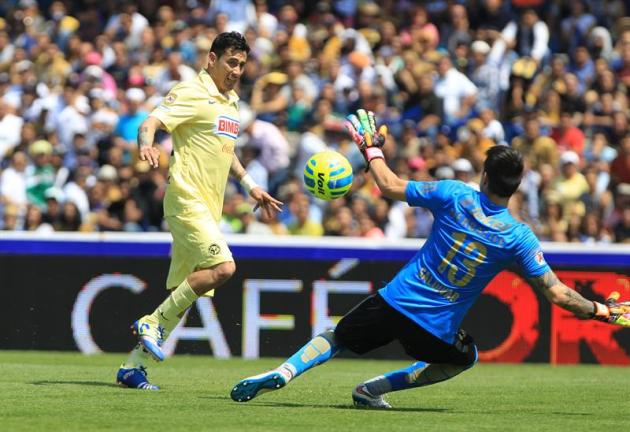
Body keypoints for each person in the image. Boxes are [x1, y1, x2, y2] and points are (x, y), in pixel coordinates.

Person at [229, 110, 630, 408]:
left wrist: (370, 148)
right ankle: (373, 391)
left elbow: (387, 184)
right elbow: (558, 294)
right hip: (436, 329)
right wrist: (604, 311)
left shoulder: (455, 194)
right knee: (464, 357)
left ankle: (284, 372)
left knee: (337, 337)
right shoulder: (518, 237)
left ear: (485, 178)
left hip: (396, 299)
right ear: (516, 186)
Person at [116, 32, 283, 390]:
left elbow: (227, 152)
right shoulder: (192, 91)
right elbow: (151, 122)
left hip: (210, 208)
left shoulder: (232, 103)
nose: (237, 70)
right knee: (223, 267)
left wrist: (251, 185)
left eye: (241, 64)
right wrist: (147, 146)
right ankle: (150, 323)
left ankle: (133, 368)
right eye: (230, 62)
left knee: (183, 294)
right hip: (186, 198)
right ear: (212, 59)